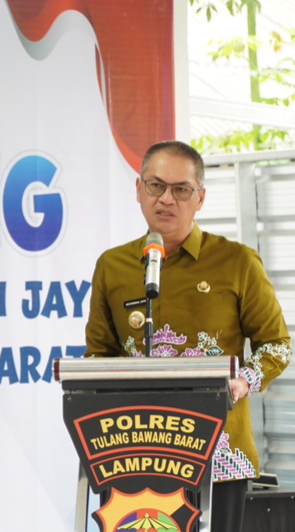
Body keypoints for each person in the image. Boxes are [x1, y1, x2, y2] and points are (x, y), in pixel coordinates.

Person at [84, 140, 291, 532]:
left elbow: (277, 345)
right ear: (138, 189)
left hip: (219, 452)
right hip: (135, 450)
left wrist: (242, 382)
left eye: (181, 189)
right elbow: (98, 355)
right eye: (156, 186)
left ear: (200, 199)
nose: (166, 199)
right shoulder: (112, 266)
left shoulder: (237, 262)